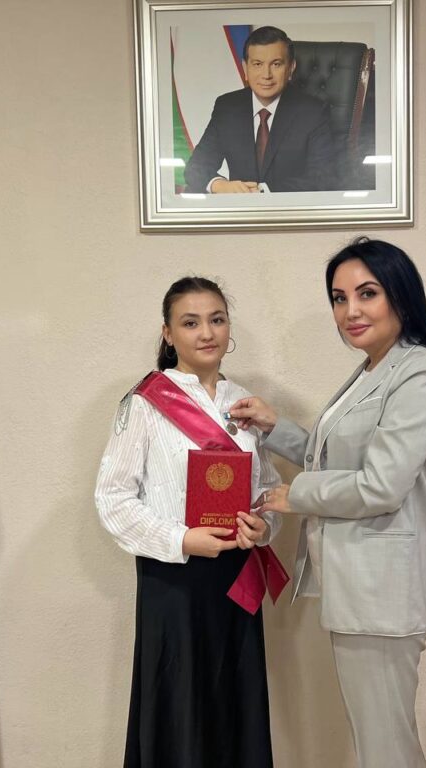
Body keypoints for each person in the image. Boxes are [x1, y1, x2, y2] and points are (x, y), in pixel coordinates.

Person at [229, 238, 426, 768]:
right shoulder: (375, 368)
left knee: (385, 747)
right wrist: (275, 427)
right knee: (380, 740)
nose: (350, 311)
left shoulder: (419, 372)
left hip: (385, 590)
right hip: (363, 586)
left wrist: (295, 495)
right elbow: (338, 456)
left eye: (367, 293)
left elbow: (381, 485)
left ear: (400, 295)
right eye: (339, 298)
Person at [95, 276, 283, 768]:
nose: (206, 333)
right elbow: (113, 499)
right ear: (168, 333)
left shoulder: (247, 405)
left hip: (236, 577)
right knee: (179, 706)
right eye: (191, 322)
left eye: (217, 320)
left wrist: (263, 527)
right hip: (172, 578)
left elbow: (267, 491)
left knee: (235, 705)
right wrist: (181, 539)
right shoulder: (144, 402)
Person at [183, 26, 338, 194]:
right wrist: (220, 185)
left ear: (291, 68)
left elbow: (324, 177)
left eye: (276, 64)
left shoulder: (313, 111)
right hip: (238, 207)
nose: (266, 75)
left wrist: (263, 191)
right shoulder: (227, 106)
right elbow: (196, 167)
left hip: (290, 207)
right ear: (245, 68)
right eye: (257, 64)